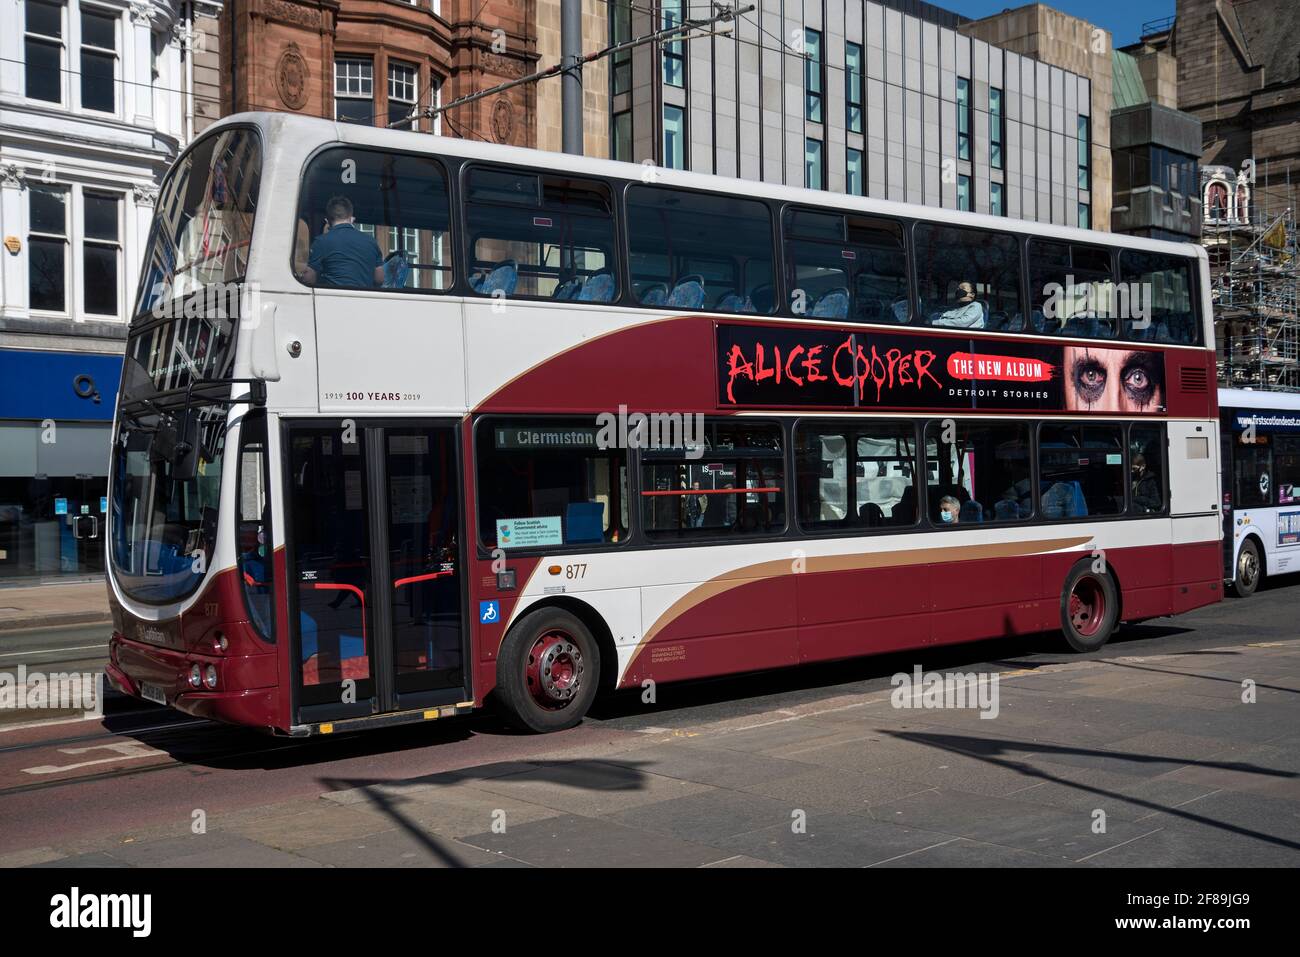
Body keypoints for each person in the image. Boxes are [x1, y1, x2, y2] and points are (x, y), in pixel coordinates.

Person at [298, 196, 384, 288]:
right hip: (364, 299)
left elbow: (309, 279)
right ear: (351, 218)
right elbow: (379, 279)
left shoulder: (321, 242)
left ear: (327, 220)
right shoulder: (371, 241)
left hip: (333, 298)